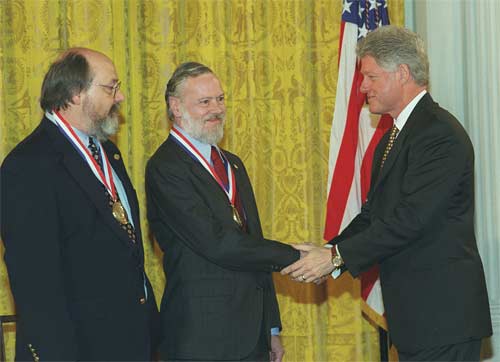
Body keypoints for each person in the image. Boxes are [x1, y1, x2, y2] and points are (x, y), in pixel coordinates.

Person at [281, 26, 492, 361]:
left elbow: (410, 220)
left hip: (443, 318)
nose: (363, 86)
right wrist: (328, 252)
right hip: (416, 321)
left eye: (370, 76)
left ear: (402, 73)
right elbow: (373, 215)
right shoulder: (392, 138)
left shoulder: (439, 134)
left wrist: (336, 257)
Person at [0, 48, 159, 361]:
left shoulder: (109, 153)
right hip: (77, 348)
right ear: (75, 94)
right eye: (110, 87)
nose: (121, 96)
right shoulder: (28, 165)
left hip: (129, 342)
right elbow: (35, 283)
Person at [145, 62, 300, 362]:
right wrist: (295, 256)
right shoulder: (166, 168)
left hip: (252, 334)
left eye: (220, 99)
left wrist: (270, 327)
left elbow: (254, 240)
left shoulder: (233, 163)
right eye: (204, 102)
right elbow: (218, 242)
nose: (216, 109)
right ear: (176, 107)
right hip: (202, 337)